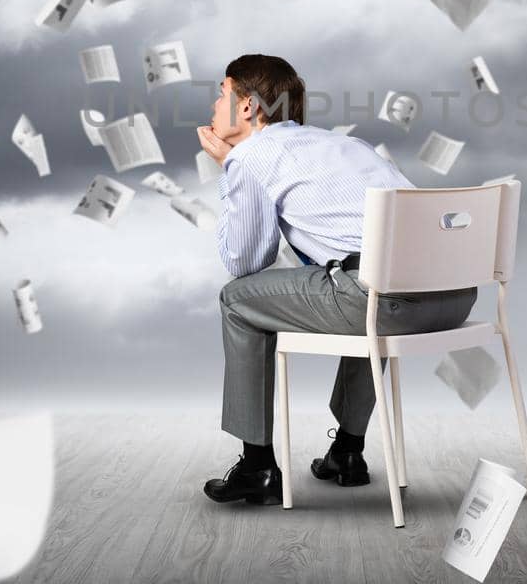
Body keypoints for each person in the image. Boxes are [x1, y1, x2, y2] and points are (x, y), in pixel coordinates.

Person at [196, 54, 478, 505]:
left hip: (388, 303)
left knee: (237, 299)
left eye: (221, 92)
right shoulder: (348, 146)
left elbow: (244, 260)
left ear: (246, 106)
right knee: (366, 279)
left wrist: (230, 171)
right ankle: (347, 451)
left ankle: (256, 466)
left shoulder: (250, 157)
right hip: (455, 297)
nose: (214, 103)